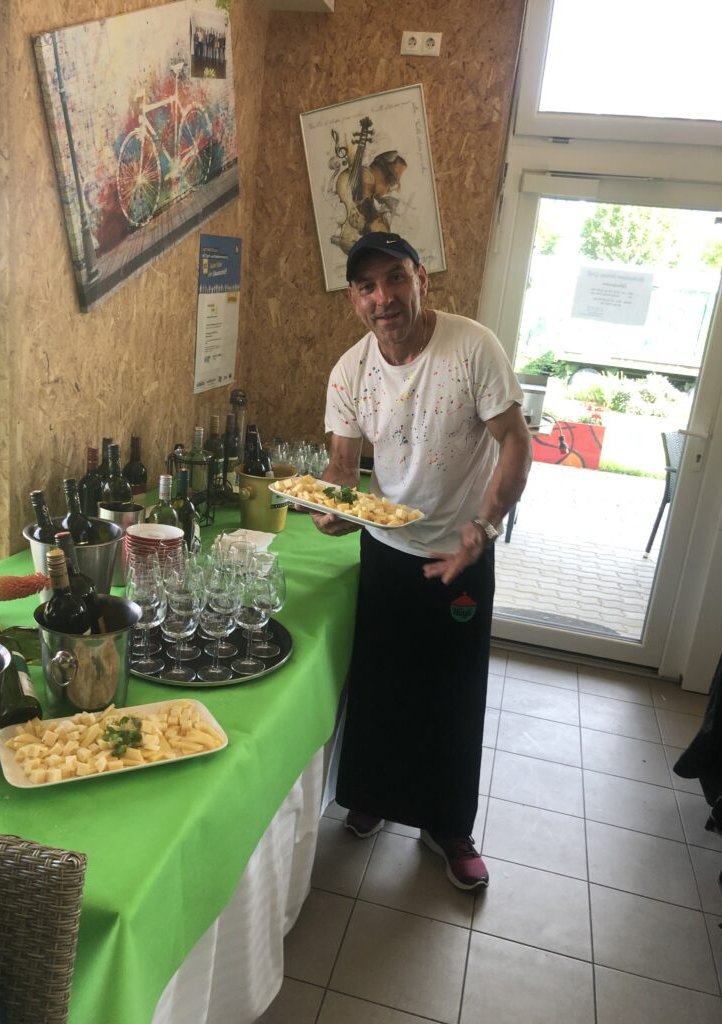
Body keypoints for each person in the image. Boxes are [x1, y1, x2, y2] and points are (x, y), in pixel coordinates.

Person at [312, 232, 532, 891]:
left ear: (421, 280)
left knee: (452, 693)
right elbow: (342, 467)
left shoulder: (472, 348)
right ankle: (372, 797)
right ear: (353, 299)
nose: (383, 297)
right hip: (386, 549)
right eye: (367, 286)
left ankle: (449, 827)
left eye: (395, 279)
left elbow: (516, 443)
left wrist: (483, 527)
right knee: (380, 684)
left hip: (461, 550)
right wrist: (331, 506)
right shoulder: (349, 371)